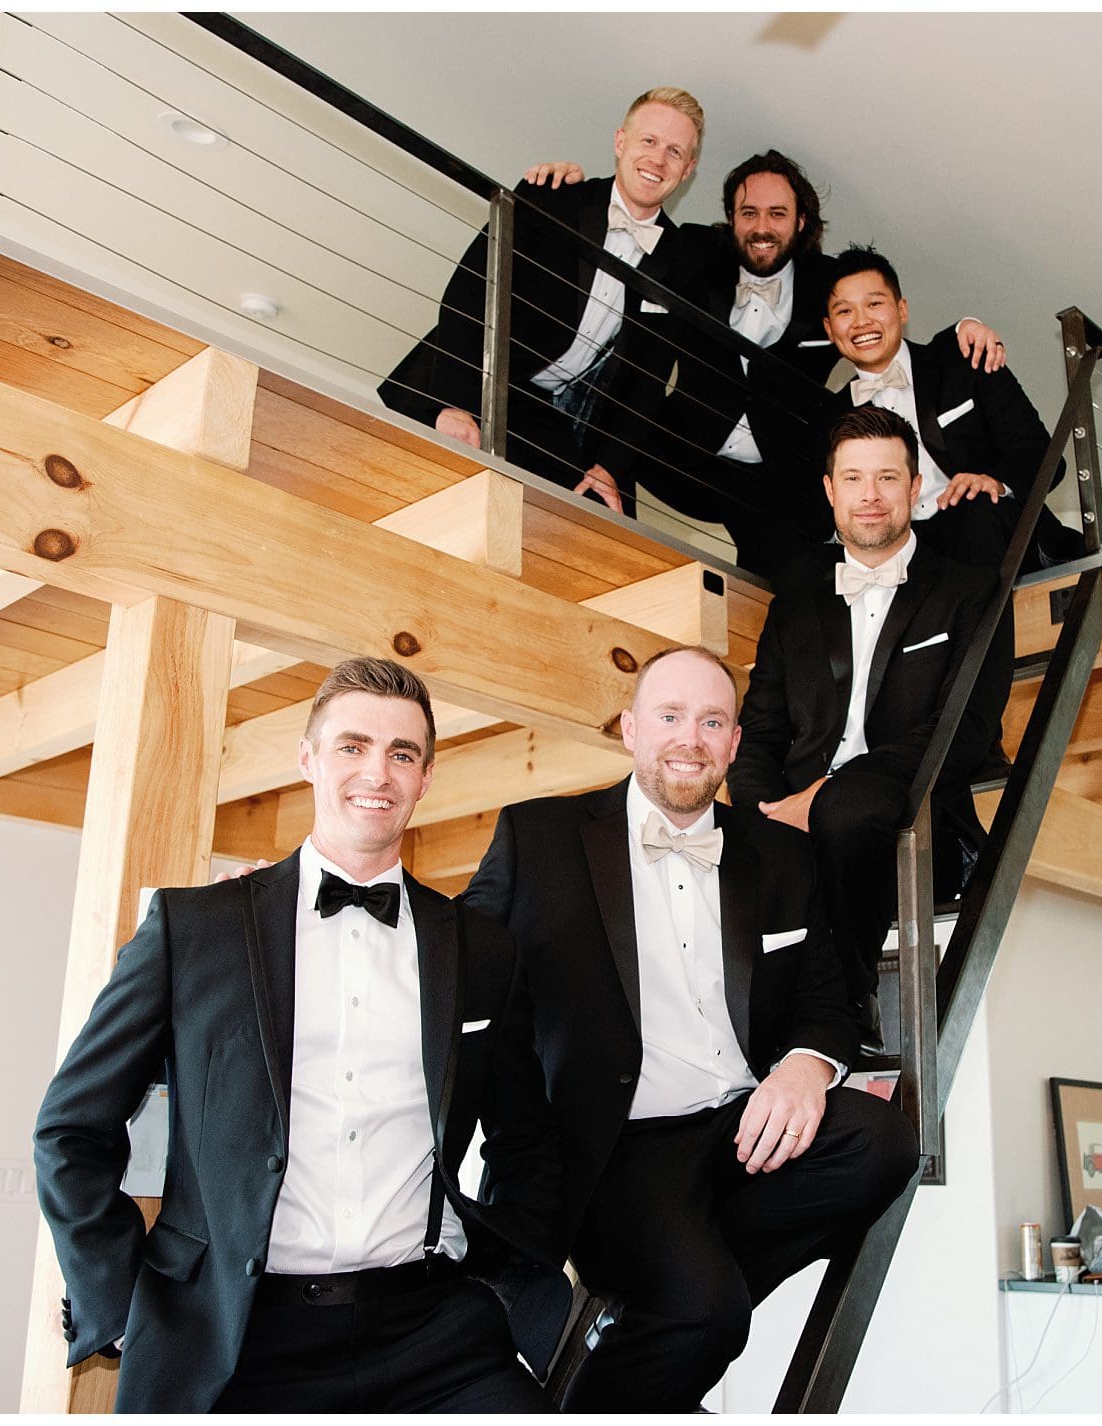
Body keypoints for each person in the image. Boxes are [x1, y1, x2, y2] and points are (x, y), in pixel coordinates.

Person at [34, 657, 562, 1413]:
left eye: (401, 753)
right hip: (239, 1338)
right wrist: (116, 1300)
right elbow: (71, 1129)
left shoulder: (483, 951)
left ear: (425, 778)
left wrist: (503, 1280)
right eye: (352, 746)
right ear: (308, 759)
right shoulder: (198, 929)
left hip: (436, 1331)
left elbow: (528, 1140)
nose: (377, 772)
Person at [464, 646, 918, 1412]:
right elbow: (454, 960)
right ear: (632, 729)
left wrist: (807, 1066)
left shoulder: (781, 854)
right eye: (671, 717)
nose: (691, 738)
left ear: (735, 744)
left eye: (712, 722)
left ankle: (672, 1318)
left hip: (743, 1131)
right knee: (708, 1310)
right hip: (618, 1154)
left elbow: (826, 998)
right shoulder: (537, 836)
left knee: (883, 1142)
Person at [519, 152, 1007, 580]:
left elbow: (879, 321)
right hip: (685, 449)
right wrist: (572, 186)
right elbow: (633, 217)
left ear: (800, 223)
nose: (762, 227)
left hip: (775, 475)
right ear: (731, 219)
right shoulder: (693, 250)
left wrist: (962, 328)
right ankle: (596, 561)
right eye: (748, 213)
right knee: (611, 424)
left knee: (785, 574)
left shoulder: (827, 280)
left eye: (778, 214)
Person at [729, 406, 1013, 1050]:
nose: (870, 496)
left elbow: (965, 731)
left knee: (846, 812)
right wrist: (759, 811)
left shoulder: (972, 592)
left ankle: (839, 1010)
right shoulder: (796, 599)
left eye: (887, 478)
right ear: (829, 490)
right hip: (797, 811)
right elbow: (763, 726)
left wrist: (823, 795)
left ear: (916, 488)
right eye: (853, 479)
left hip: (912, 809)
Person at [379, 89, 708, 517]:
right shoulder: (552, 195)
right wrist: (454, 402)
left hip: (544, 411)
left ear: (688, 170)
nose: (658, 159)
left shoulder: (680, 262)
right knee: (414, 476)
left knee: (594, 510)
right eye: (648, 141)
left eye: (674, 151)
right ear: (620, 142)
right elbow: (468, 292)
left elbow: (648, 380)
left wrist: (610, 466)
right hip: (480, 375)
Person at [816, 245, 1079, 574]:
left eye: (874, 304)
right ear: (829, 330)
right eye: (844, 312)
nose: (861, 321)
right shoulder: (830, 417)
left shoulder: (964, 359)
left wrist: (993, 482)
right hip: (911, 556)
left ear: (902, 309)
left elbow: (1043, 454)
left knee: (976, 511)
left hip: (985, 531)